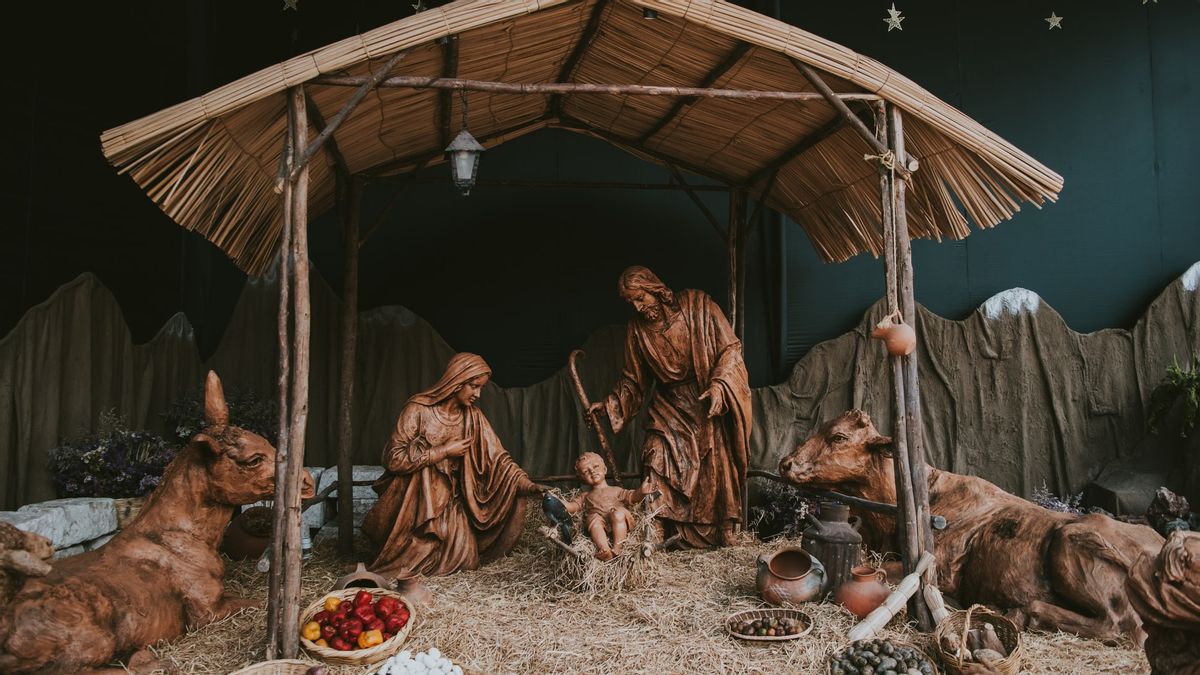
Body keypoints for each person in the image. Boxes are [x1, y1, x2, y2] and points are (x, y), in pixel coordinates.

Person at [587, 266, 751, 548]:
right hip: (668, 404)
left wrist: (719, 385)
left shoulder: (698, 305)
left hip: (704, 396)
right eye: (632, 303)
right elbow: (633, 380)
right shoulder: (637, 331)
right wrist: (611, 404)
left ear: (655, 289)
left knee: (717, 454)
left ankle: (724, 527)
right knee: (656, 455)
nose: (639, 307)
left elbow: (730, 349)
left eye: (641, 298)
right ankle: (658, 526)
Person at [363, 352, 548, 578]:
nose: (478, 394)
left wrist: (527, 485)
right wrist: (442, 452)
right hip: (416, 504)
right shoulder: (418, 409)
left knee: (467, 562)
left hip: (451, 503)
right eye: (473, 386)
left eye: (481, 388)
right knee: (409, 565)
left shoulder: (473, 417)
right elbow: (394, 459)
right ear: (456, 380)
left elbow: (499, 459)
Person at [559, 452, 655, 561]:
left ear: (604, 469)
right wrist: (559, 502)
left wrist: (641, 492)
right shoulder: (585, 496)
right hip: (599, 524)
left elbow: (632, 497)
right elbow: (572, 507)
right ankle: (604, 550)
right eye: (586, 471)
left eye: (595, 466)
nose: (592, 471)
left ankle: (617, 548)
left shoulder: (616, 490)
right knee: (593, 519)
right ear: (582, 478)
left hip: (619, 521)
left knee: (617, 513)